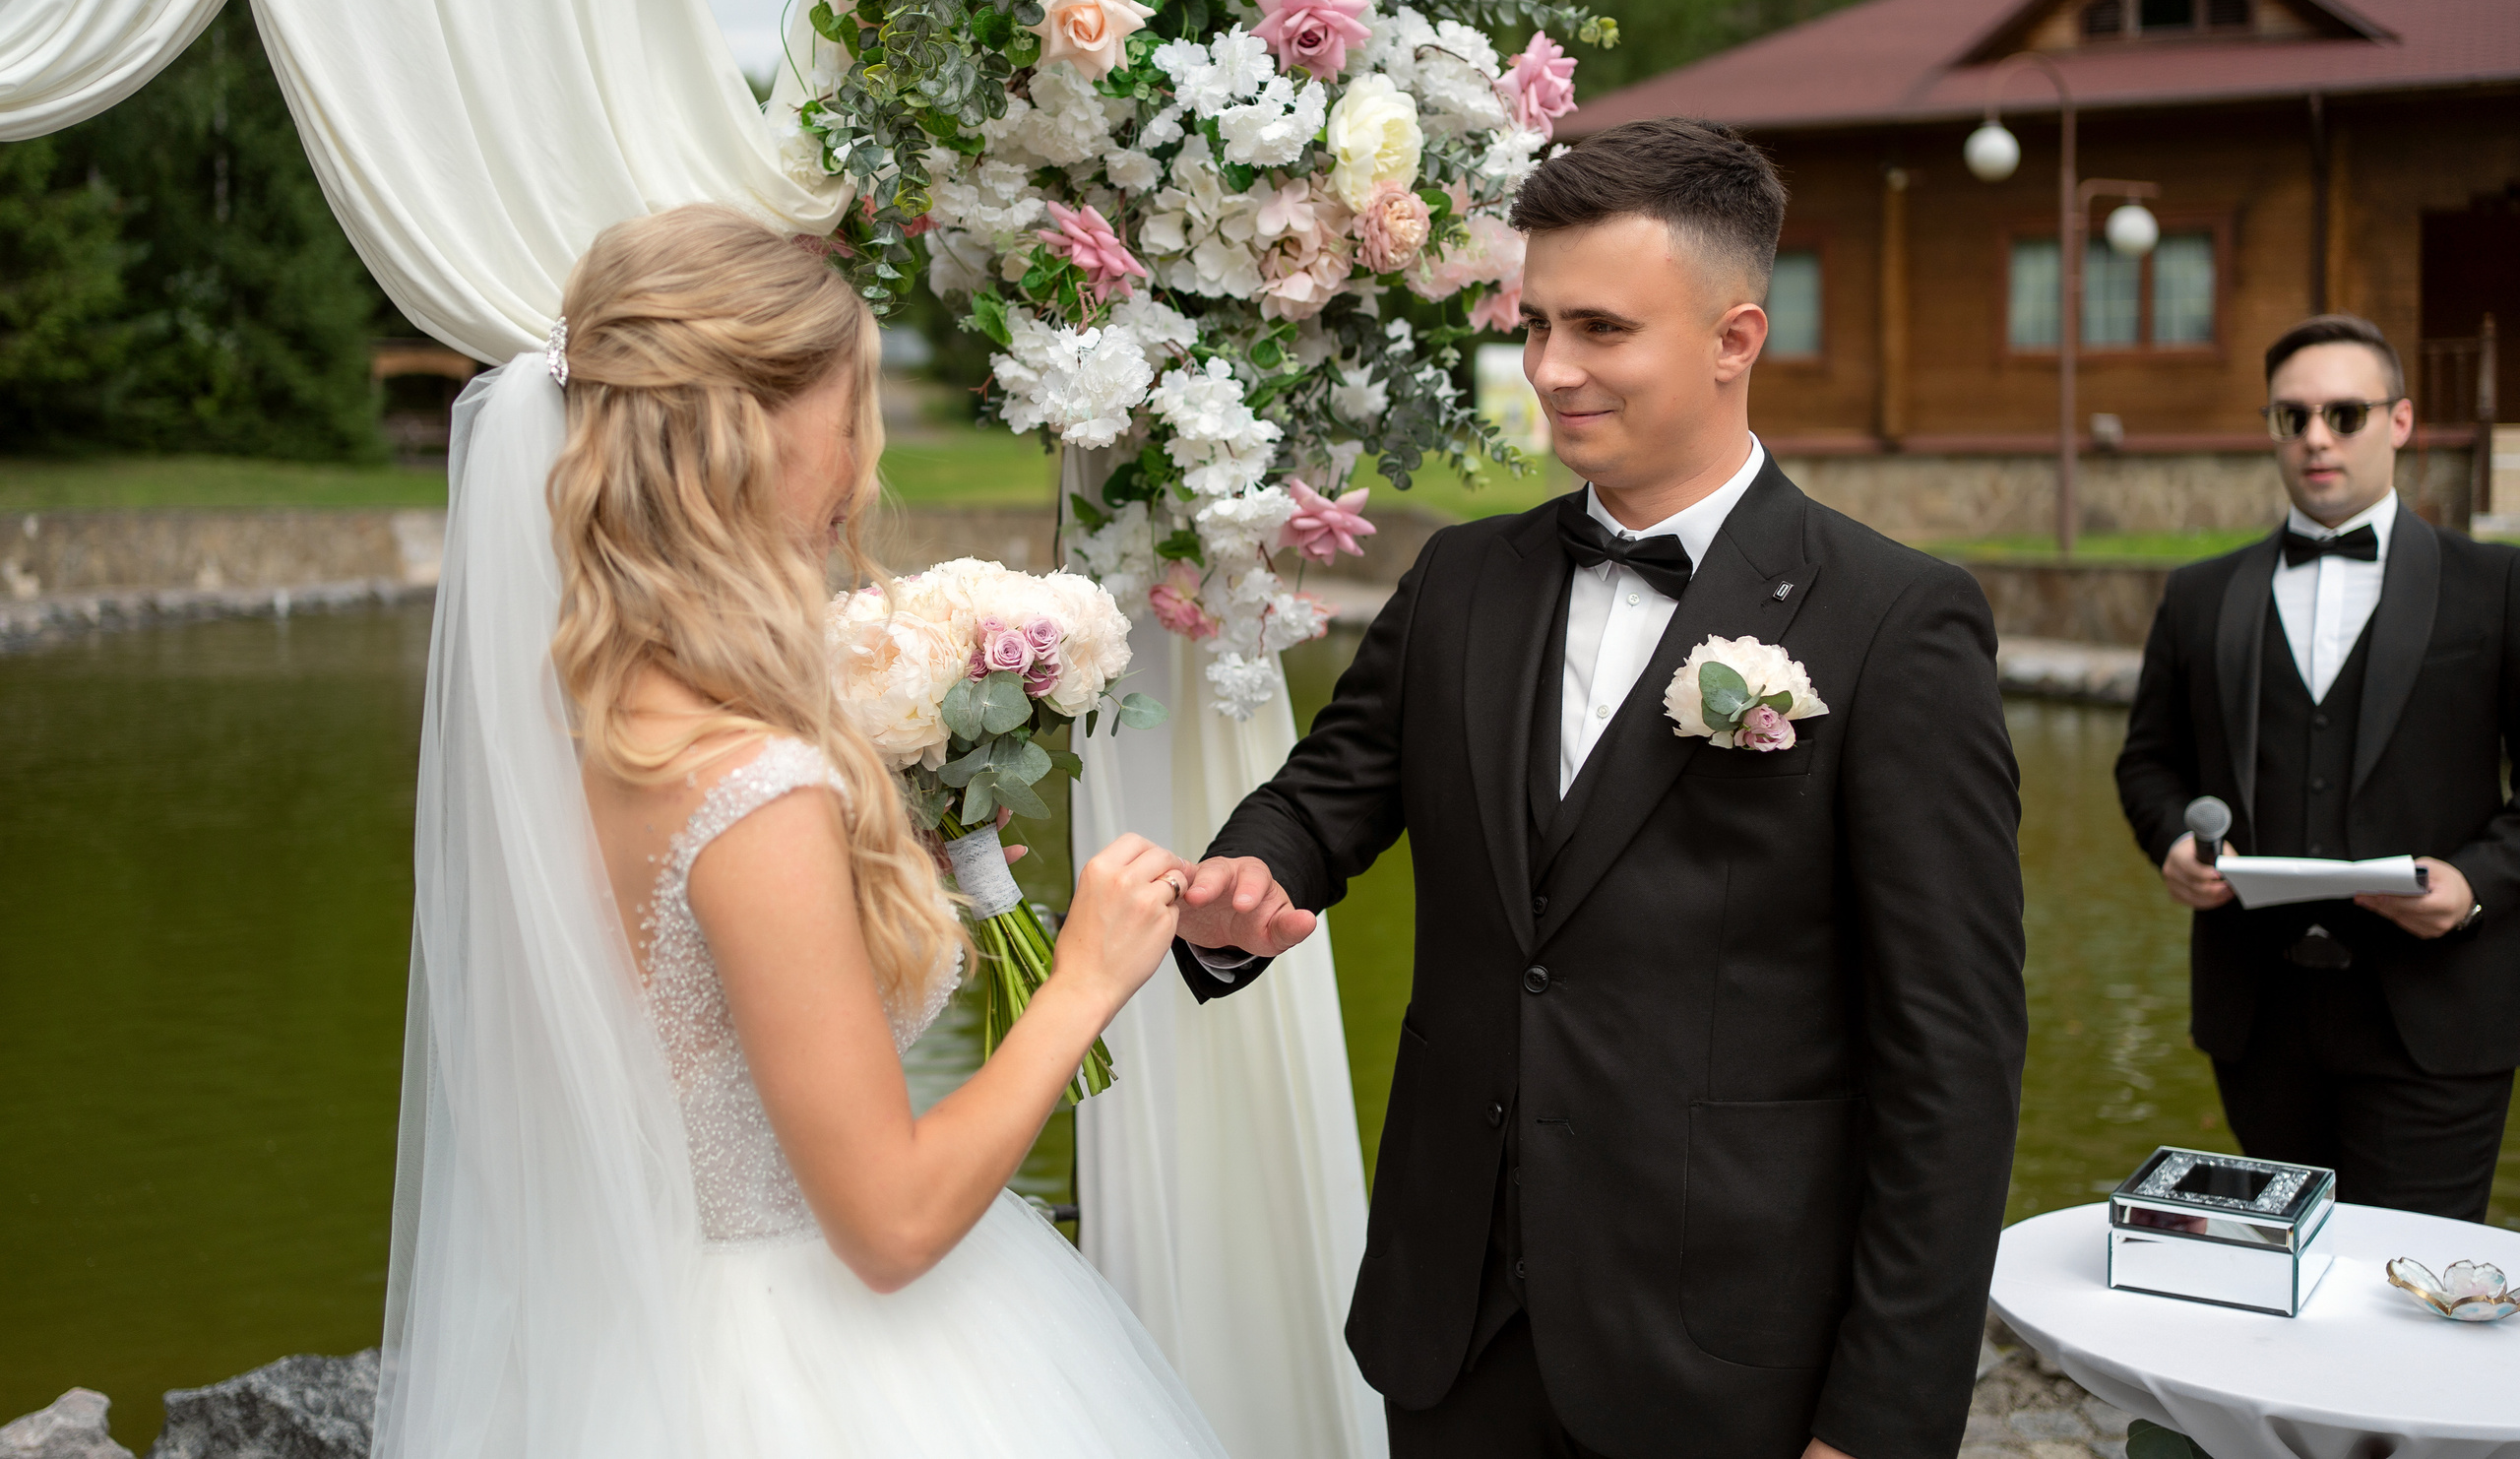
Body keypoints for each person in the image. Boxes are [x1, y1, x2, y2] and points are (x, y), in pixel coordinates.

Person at [1168, 118, 2029, 1459]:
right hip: (1452, 1329)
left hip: (1728, 1351)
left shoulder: (1896, 622)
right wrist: (1247, 877)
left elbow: (1953, 1062)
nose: (1551, 369)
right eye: (1537, 324)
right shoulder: (1460, 579)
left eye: (1602, 330)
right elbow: (1329, 792)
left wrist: (1881, 1416)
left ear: (1736, 337)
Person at [373, 206, 1225, 1459]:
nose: (860, 475)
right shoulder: (752, 783)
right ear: (746, 437)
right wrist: (1087, 977)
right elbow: (889, 1225)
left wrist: (854, 884)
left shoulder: (581, 720)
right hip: (800, 1376)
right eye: (849, 423)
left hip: (619, 1343)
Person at [2115, 313, 2519, 1222]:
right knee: (2280, 1287)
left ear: (2401, 421)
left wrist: (2475, 882)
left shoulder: (2497, 586)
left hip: (2438, 1012)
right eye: (2292, 417)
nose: (2317, 438)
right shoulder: (2199, 594)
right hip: (2259, 1017)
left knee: (2410, 1295)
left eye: (2345, 413)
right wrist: (2176, 839)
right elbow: (2147, 762)